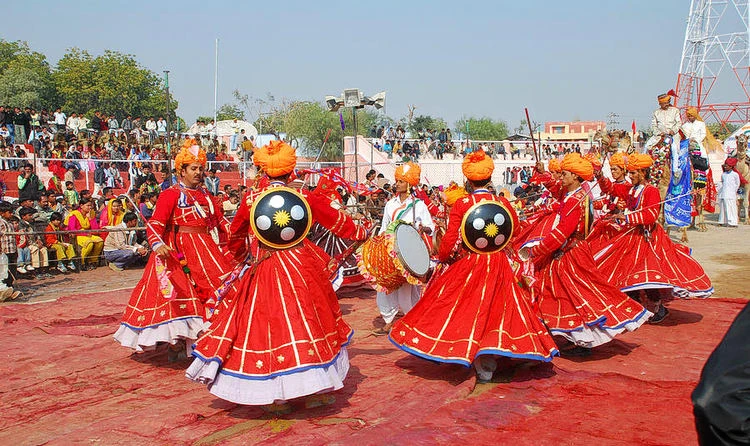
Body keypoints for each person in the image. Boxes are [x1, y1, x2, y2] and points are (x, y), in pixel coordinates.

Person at [186, 140, 368, 412]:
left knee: (269, 326)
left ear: (263, 171)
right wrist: (362, 233)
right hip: (301, 266)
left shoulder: (251, 200)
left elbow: (235, 235)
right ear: (290, 171)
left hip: (265, 266)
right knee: (309, 320)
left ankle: (274, 394)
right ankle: (315, 390)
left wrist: (241, 258)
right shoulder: (304, 197)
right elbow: (338, 221)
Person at [389, 149, 558, 383]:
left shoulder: (462, 204)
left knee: (463, 308)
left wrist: (446, 258)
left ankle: (465, 350)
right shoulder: (502, 203)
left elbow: (449, 240)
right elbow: (515, 231)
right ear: (490, 178)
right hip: (499, 263)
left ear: (468, 180)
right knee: (500, 309)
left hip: (471, 263)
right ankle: (494, 354)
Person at [114, 141, 233, 359]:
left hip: (207, 249)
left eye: (200, 168)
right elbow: (156, 224)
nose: (198, 173)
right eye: (193, 169)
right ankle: (180, 342)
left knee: (220, 289)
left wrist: (239, 233)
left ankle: (210, 341)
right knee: (182, 296)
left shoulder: (206, 195)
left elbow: (219, 221)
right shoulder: (170, 194)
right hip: (179, 251)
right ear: (182, 171)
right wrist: (157, 244)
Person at [527, 153, 651, 355]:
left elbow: (562, 232)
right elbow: (556, 190)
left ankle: (582, 339)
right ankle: (568, 335)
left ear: (575, 177)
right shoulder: (575, 195)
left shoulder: (575, 199)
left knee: (577, 295)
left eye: (564, 174)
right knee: (569, 295)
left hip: (569, 254)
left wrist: (537, 250)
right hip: (571, 251)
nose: (561, 177)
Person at [594, 153, 713, 324]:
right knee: (626, 273)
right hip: (632, 237)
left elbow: (650, 215)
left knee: (646, 276)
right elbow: (611, 189)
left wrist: (627, 218)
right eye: (630, 173)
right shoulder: (632, 189)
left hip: (648, 239)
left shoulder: (651, 191)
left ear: (642, 173)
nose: (630, 176)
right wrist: (600, 176)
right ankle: (636, 307)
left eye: (634, 173)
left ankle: (659, 308)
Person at [373, 162, 435, 335]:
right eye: (397, 181)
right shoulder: (390, 204)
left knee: (407, 289)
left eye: (401, 181)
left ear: (409, 184)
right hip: (390, 248)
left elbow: (431, 226)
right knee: (385, 285)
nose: (397, 184)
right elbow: (384, 226)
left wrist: (424, 229)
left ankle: (412, 319)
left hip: (409, 251)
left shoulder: (419, 206)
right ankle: (389, 321)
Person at [65, 198, 103, 270]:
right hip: (78, 235)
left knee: (100, 241)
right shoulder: (74, 214)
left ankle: (92, 261)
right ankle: (81, 262)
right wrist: (84, 234)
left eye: (90, 206)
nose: (90, 207)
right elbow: (72, 229)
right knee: (89, 243)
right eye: (88, 205)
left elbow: (95, 229)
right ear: (81, 206)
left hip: (89, 234)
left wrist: (90, 219)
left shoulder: (91, 214)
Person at [718, 158, 741, 227]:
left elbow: (737, 184)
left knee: (731, 208)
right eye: (725, 165)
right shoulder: (723, 174)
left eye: (727, 166)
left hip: (731, 194)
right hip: (723, 193)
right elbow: (722, 183)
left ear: (731, 166)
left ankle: (733, 222)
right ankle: (722, 221)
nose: (725, 167)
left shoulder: (735, 174)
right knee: (723, 208)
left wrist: (733, 191)